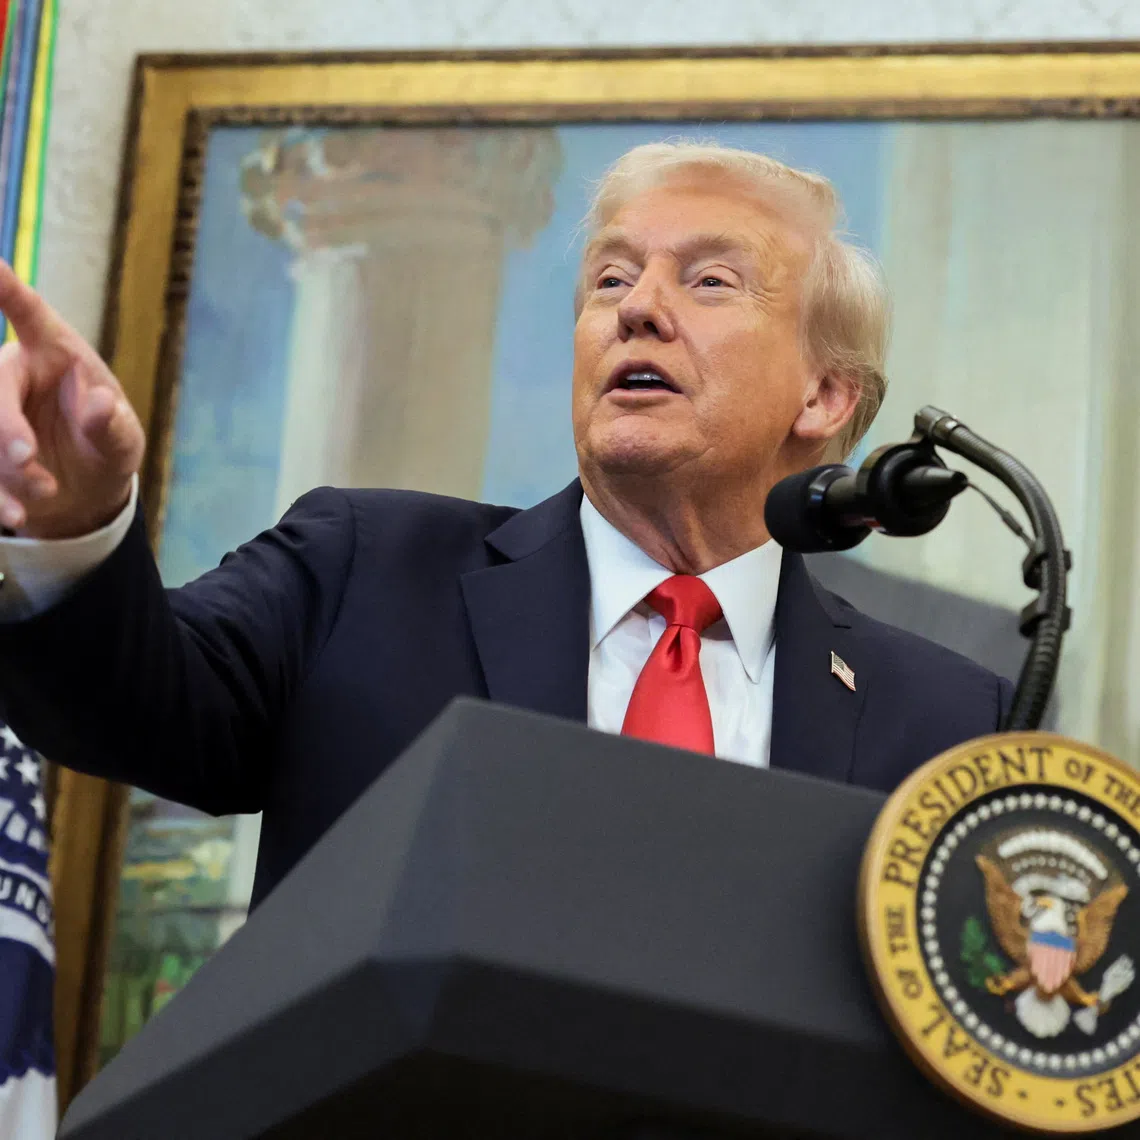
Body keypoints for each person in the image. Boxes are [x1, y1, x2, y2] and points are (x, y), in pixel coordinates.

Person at [0, 142, 1009, 906]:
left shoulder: (949, 722)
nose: (637, 309)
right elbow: (133, 706)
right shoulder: (363, 571)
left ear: (826, 397)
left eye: (708, 281)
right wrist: (77, 529)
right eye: (611, 278)